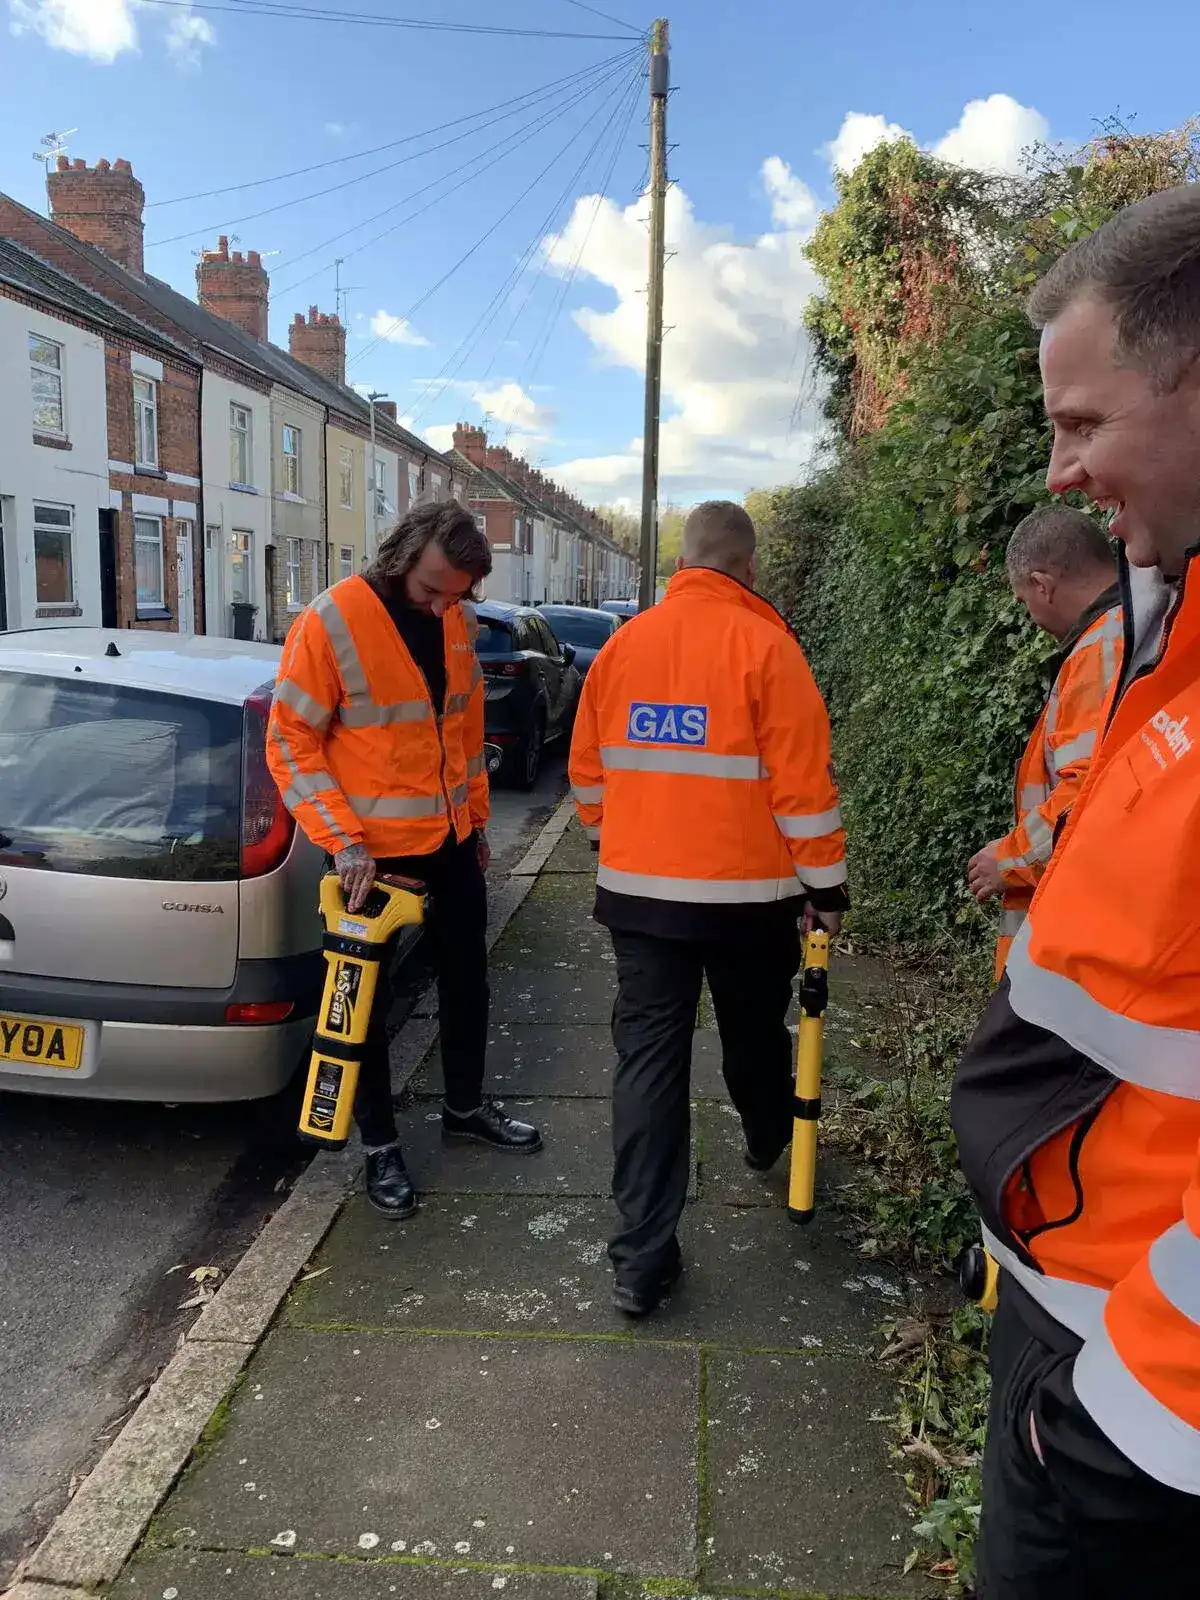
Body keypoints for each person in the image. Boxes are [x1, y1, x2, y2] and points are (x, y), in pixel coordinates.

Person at [952, 185, 1200, 1598]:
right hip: (1078, 1322)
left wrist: (1123, 1413)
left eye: (1085, 423)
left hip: (1130, 1400)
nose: (1060, 470)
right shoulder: (1170, 633)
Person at [569, 501, 849, 1317]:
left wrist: (608, 839)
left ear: (681, 563)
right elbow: (804, 789)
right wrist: (825, 889)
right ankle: (768, 1134)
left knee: (648, 1064)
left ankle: (640, 1260)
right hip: (748, 902)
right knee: (753, 1033)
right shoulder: (769, 647)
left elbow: (588, 771)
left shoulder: (622, 648)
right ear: (748, 567)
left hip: (640, 898)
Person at [267, 500, 541, 1222]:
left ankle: (465, 1107)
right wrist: (343, 840)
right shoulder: (330, 622)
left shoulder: (457, 620)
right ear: (402, 552)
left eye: (456, 592)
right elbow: (290, 741)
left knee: (468, 980)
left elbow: (464, 728)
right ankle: (380, 1147)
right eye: (431, 587)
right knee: (364, 1006)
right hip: (370, 860)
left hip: (450, 843)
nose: (441, 602)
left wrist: (476, 823)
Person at [966, 505, 1121, 981]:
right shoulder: (1134, 631)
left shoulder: (1100, 649)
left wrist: (1009, 859)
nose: (1029, 615)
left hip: (1080, 938)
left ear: (1042, 584)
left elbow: (1089, 794)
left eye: (1022, 600)